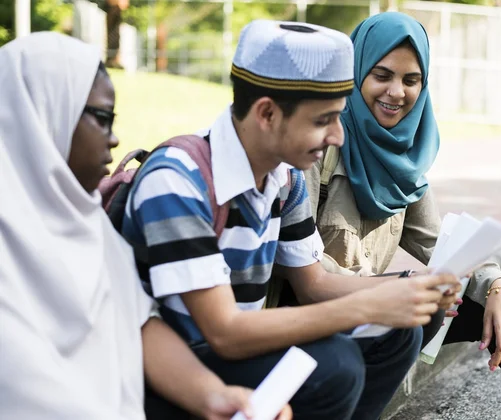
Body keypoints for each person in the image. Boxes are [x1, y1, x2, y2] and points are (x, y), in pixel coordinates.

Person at [119, 20, 461, 420]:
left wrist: (404, 290)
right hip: (178, 369)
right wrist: (369, 304)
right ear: (267, 113)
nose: (338, 135)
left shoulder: (285, 177)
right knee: (336, 366)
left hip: (237, 349)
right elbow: (223, 333)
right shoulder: (178, 181)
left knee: (401, 331)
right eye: (323, 120)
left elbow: (313, 284)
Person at [304, 11, 501, 419]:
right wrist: (396, 288)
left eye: (411, 80)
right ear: (355, 74)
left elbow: (442, 243)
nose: (396, 92)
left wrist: (500, 285)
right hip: (311, 322)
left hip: (375, 318)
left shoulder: (402, 160)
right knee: (415, 314)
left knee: (481, 304)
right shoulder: (316, 147)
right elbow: (303, 272)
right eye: (382, 75)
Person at [0, 32, 292, 420]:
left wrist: (212, 396)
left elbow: (139, 325)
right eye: (102, 118)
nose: (116, 139)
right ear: (42, 113)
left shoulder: (86, 222)